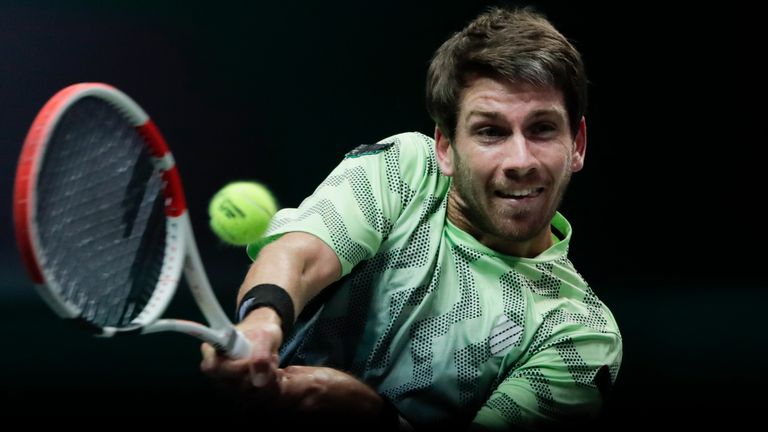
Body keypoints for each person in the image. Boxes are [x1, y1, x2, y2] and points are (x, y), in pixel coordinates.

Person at [201, 6, 622, 430]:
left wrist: (371, 416)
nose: (520, 160)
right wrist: (261, 321)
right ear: (445, 147)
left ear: (578, 144)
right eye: (490, 131)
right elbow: (301, 253)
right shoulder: (407, 170)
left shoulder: (580, 336)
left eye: (542, 129)